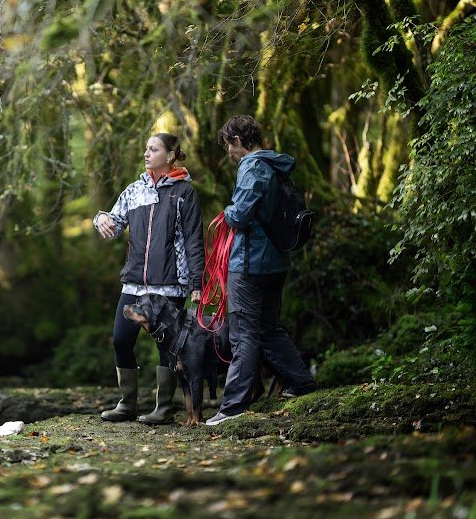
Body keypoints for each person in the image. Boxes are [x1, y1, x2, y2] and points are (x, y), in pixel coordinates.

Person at [205, 115, 317, 426]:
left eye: (229, 146)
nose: (229, 152)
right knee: (269, 329)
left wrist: (227, 211)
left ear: (237, 140)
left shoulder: (251, 166)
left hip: (249, 263)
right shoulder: (276, 164)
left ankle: (232, 407)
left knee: (244, 334)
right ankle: (302, 383)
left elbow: (239, 215)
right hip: (276, 262)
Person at [94, 132, 205, 424]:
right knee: (121, 340)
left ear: (169, 156)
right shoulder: (134, 191)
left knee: (166, 348)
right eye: (146, 149)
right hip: (134, 284)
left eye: (153, 149)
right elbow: (114, 223)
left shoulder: (184, 192)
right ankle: (126, 404)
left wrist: (197, 284)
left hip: (170, 285)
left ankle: (163, 408)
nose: (146, 154)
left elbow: (194, 241)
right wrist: (101, 218)